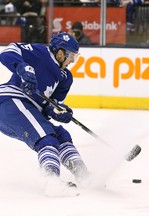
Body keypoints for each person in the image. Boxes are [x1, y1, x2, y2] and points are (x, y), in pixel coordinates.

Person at [0, 32, 91, 197]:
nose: (72, 60)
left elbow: (50, 105)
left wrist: (59, 112)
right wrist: (22, 67)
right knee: (47, 137)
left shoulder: (66, 78)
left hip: (30, 107)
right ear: (60, 52)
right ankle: (51, 181)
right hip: (10, 101)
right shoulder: (41, 53)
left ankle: (83, 176)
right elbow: (9, 51)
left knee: (61, 135)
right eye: (71, 56)